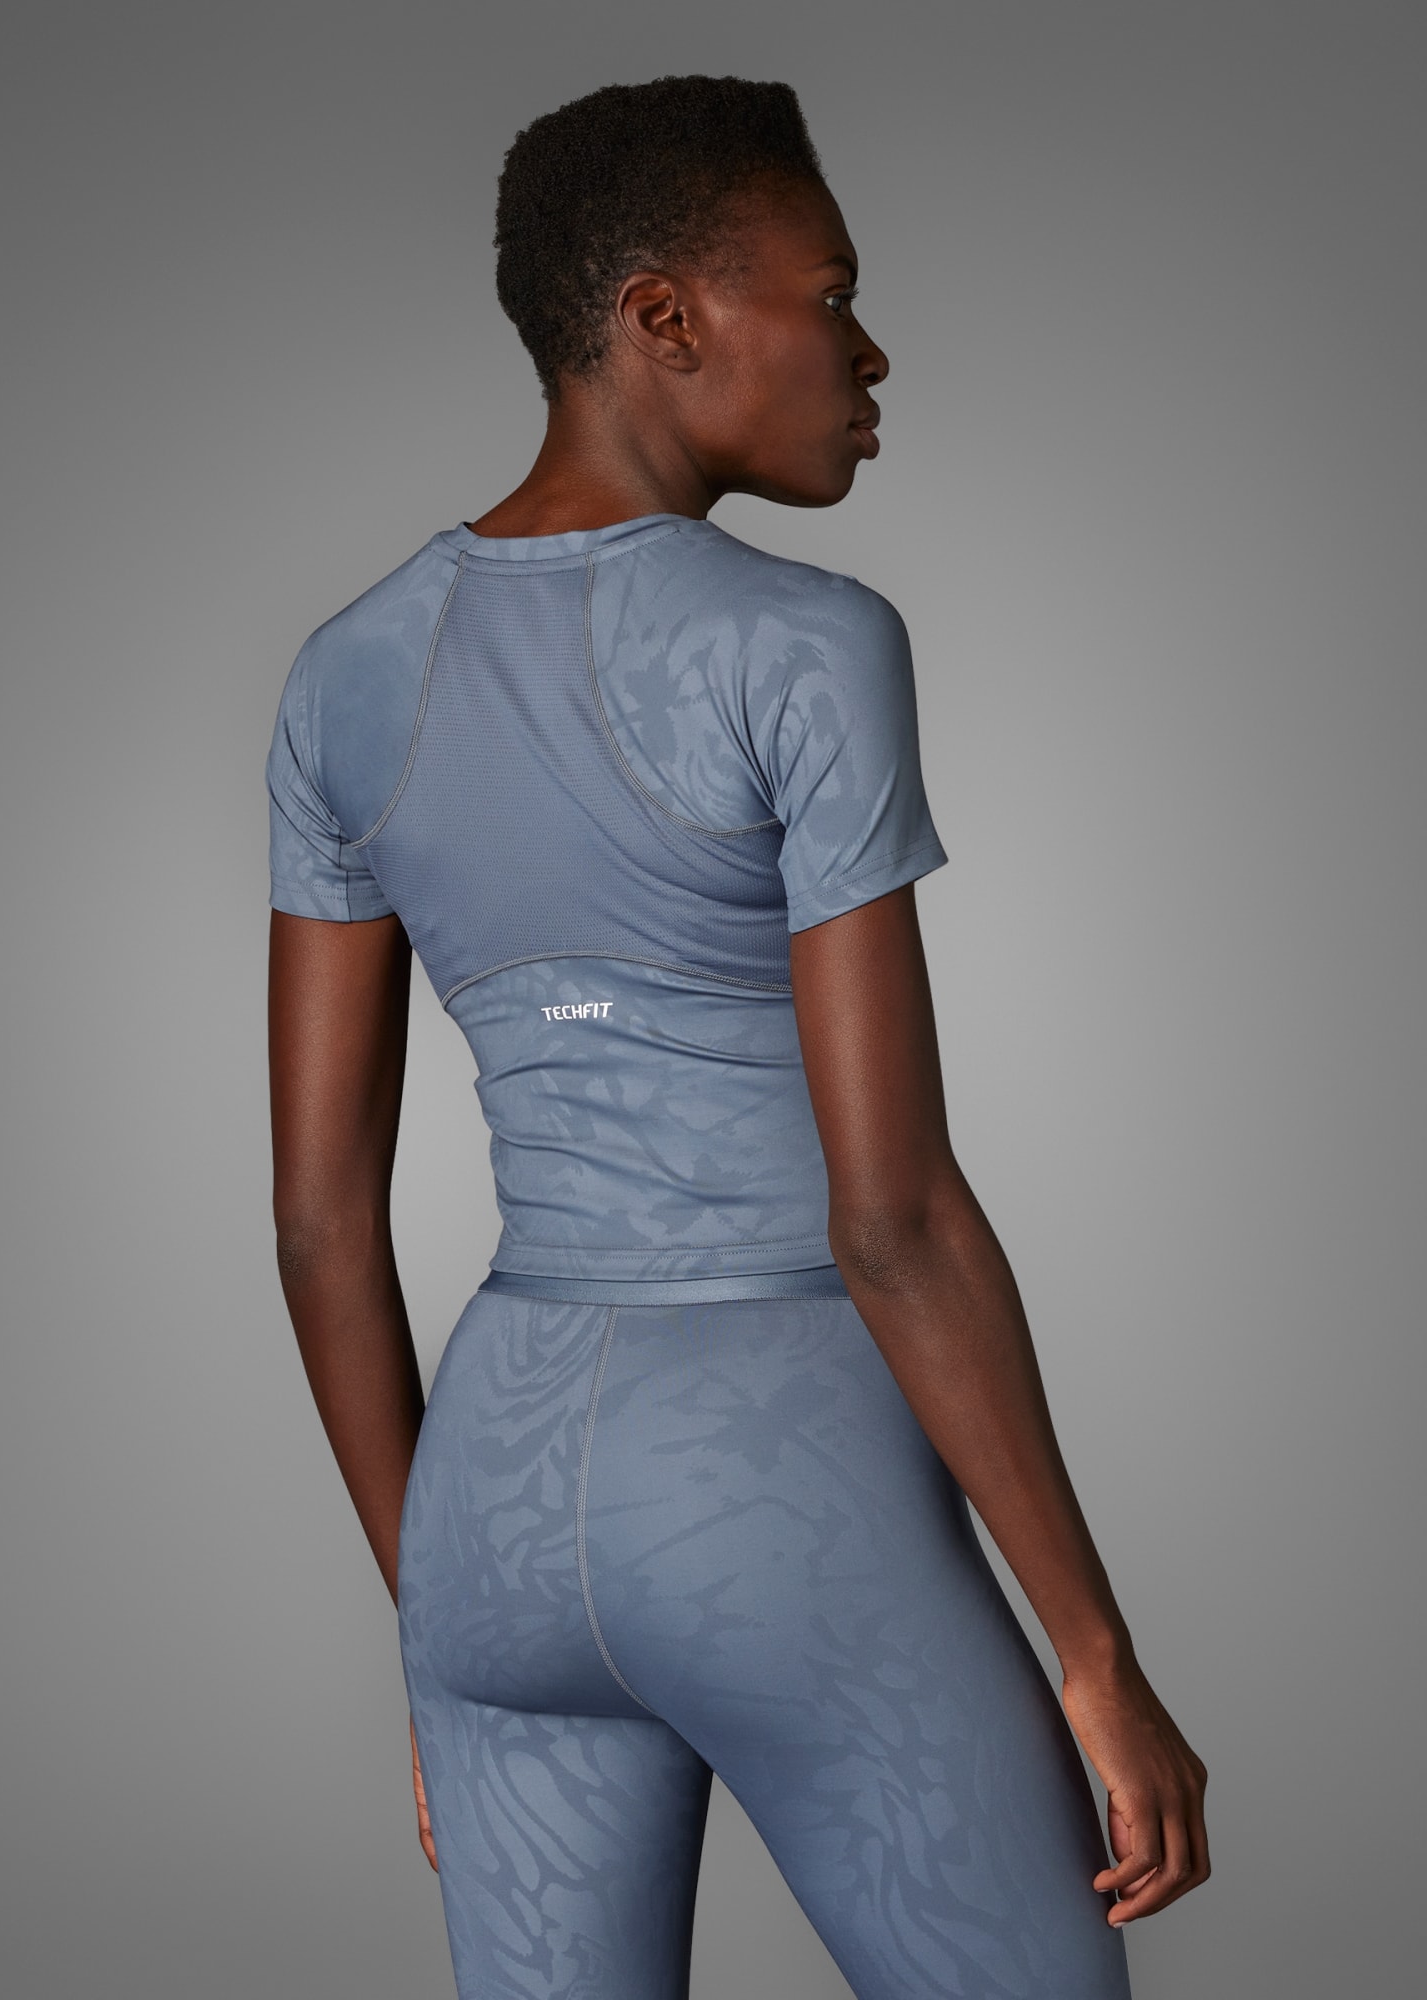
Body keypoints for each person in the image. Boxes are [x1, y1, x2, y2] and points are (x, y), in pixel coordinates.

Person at [267, 74, 1207, 2000]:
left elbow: (318, 1230)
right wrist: (1097, 1660)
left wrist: (434, 1626)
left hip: (489, 1514)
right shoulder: (803, 644)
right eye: (831, 293)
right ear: (664, 319)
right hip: (780, 1484)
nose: (871, 350)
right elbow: (893, 1218)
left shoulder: (343, 675)